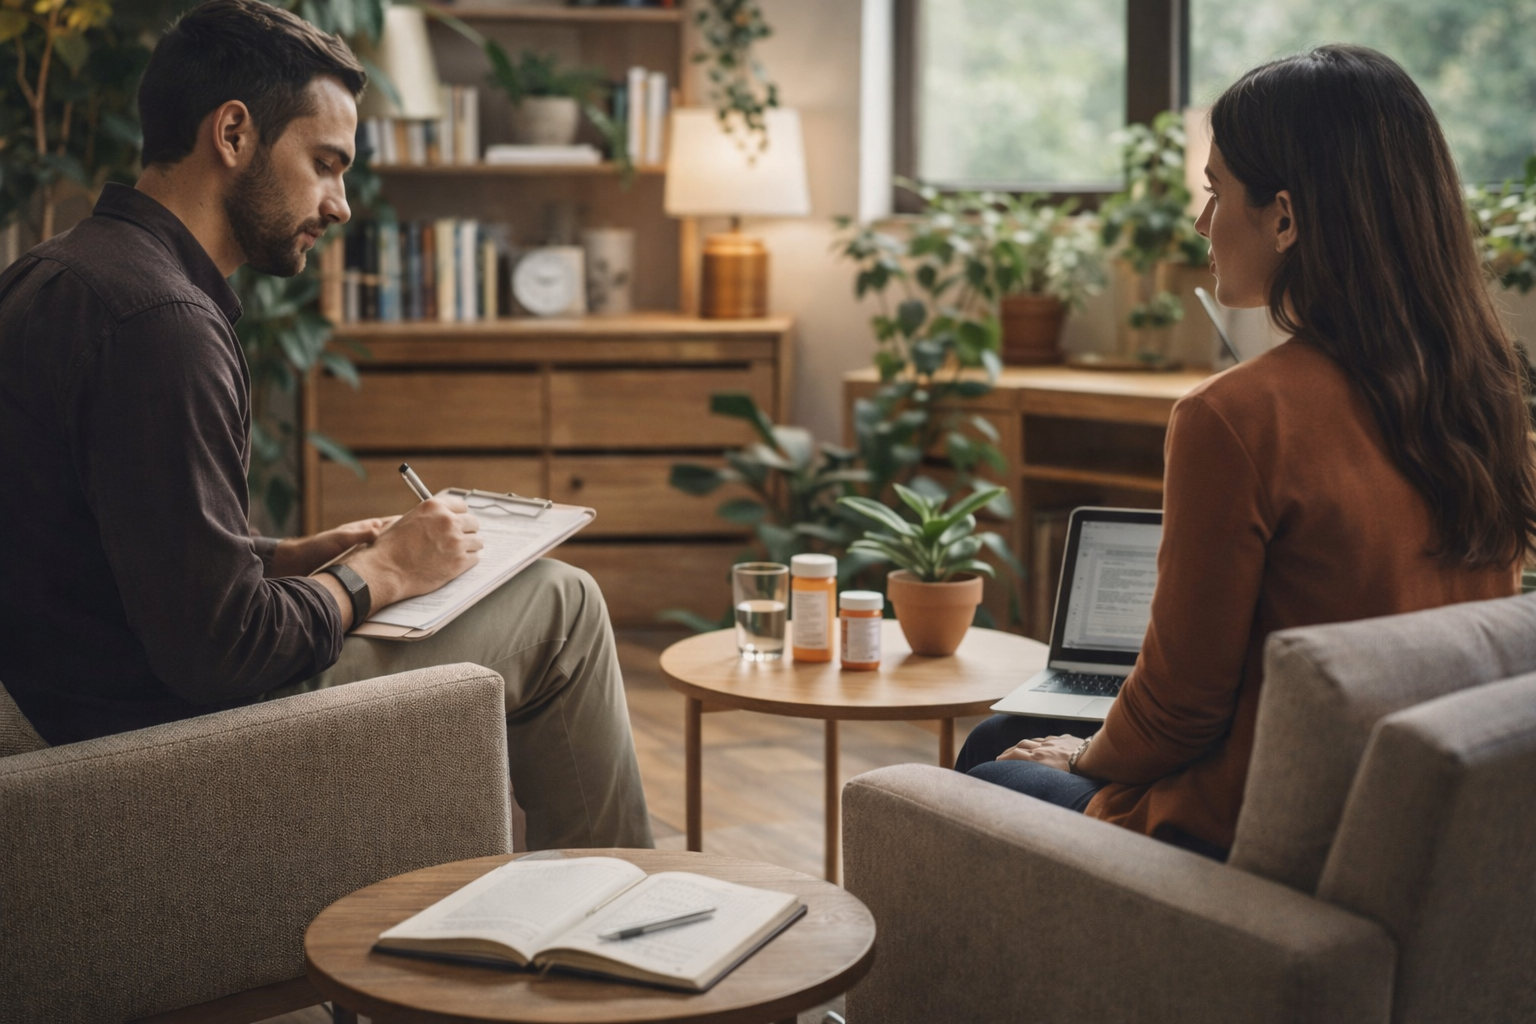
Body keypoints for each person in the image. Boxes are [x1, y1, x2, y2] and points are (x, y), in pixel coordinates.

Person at [0, 0, 652, 851]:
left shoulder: (52, 274)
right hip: (159, 741)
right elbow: (217, 656)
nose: (340, 204)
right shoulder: (162, 321)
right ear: (232, 134)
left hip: (81, 698)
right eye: (326, 163)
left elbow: (115, 555)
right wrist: (378, 573)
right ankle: (625, 939)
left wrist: (287, 558)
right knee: (560, 605)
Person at [955, 44, 1536, 859]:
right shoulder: (1487, 392)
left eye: (1215, 191)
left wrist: (1081, 757)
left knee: (987, 755)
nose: (1201, 223)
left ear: (1287, 217)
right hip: (1406, 827)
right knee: (1012, 731)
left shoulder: (1234, 417)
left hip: (1254, 830)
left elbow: (1178, 709)